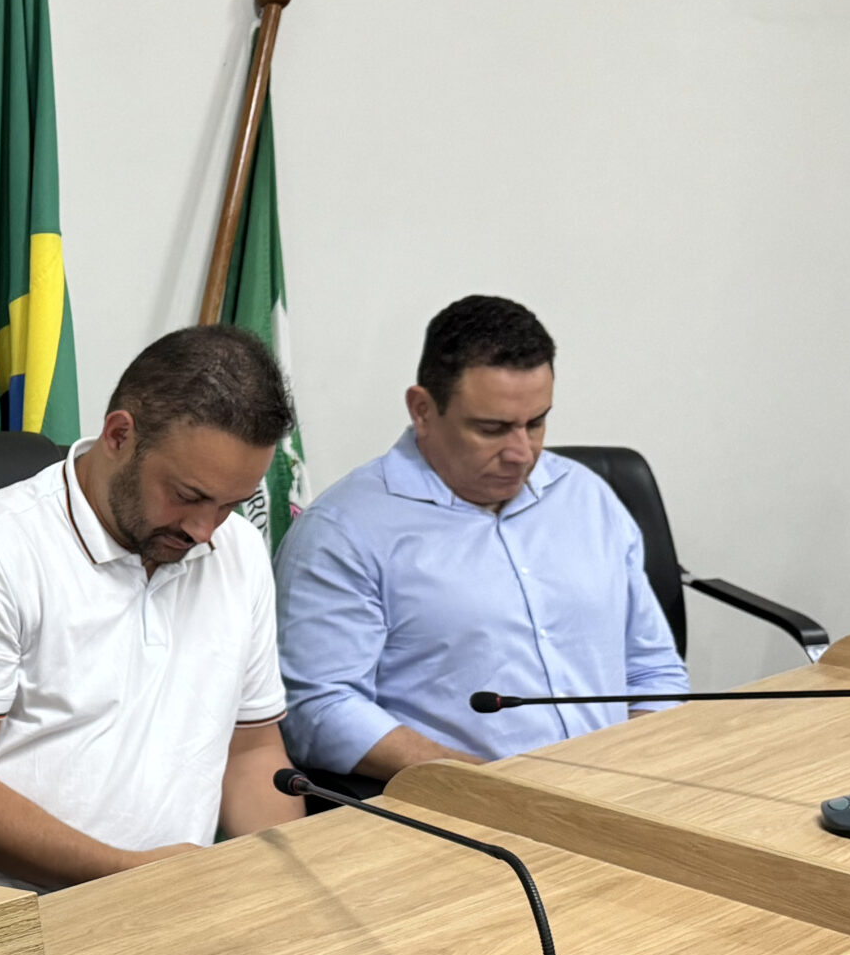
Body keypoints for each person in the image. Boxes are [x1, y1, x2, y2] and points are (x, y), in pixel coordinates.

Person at [0, 326, 308, 890]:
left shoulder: (239, 549)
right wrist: (125, 876)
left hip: (167, 896)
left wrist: (280, 887)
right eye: (189, 495)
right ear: (119, 435)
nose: (205, 530)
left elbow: (250, 753)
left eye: (230, 504)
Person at [274, 294, 688, 779]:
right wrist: (495, 789)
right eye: (493, 429)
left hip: (621, 787)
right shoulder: (343, 532)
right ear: (422, 410)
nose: (522, 453)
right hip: (464, 806)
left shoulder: (586, 496)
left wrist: (633, 770)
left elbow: (652, 669)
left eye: (536, 423)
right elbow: (320, 709)